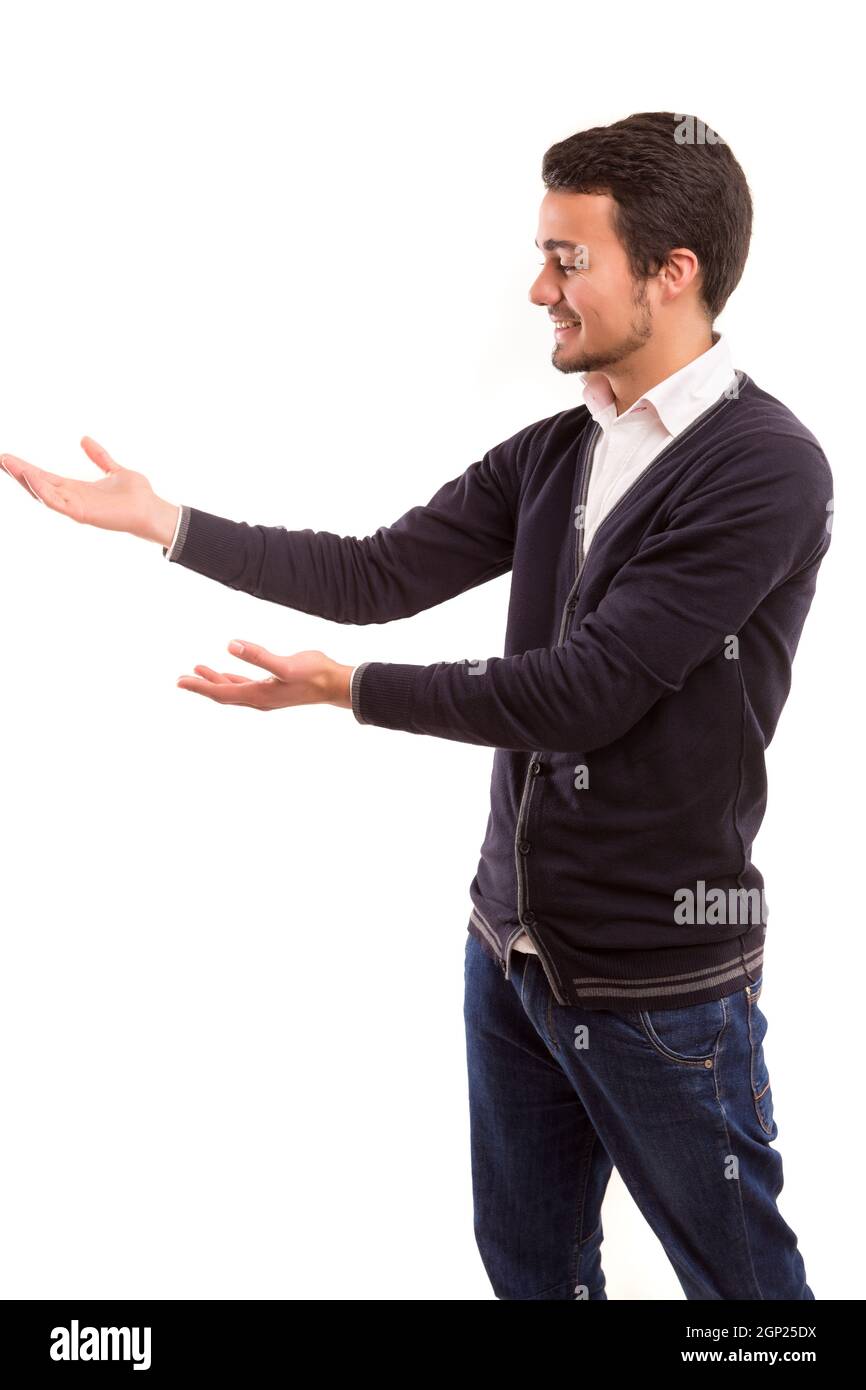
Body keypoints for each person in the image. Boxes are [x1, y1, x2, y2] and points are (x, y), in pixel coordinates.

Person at [1, 110, 832, 1300]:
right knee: (533, 1271)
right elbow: (373, 571)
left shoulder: (764, 467)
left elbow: (587, 693)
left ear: (672, 272)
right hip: (510, 957)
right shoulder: (560, 450)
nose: (538, 284)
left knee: (742, 1296)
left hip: (660, 982)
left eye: (569, 257)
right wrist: (163, 522)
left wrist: (347, 691)